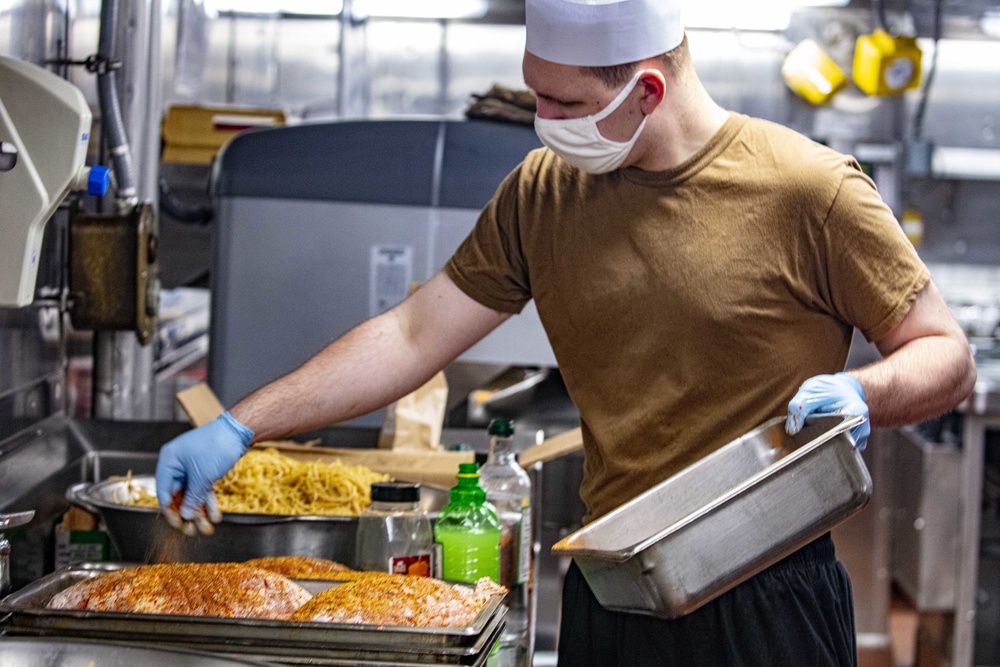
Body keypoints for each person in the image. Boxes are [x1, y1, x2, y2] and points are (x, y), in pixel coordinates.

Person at [156, 0, 976, 663]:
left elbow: (946, 355)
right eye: (536, 93)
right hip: (611, 588)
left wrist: (865, 392)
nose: (542, 121)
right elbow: (413, 333)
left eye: (564, 103)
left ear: (647, 90)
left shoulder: (809, 190)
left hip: (766, 600)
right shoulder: (544, 191)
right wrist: (242, 422)